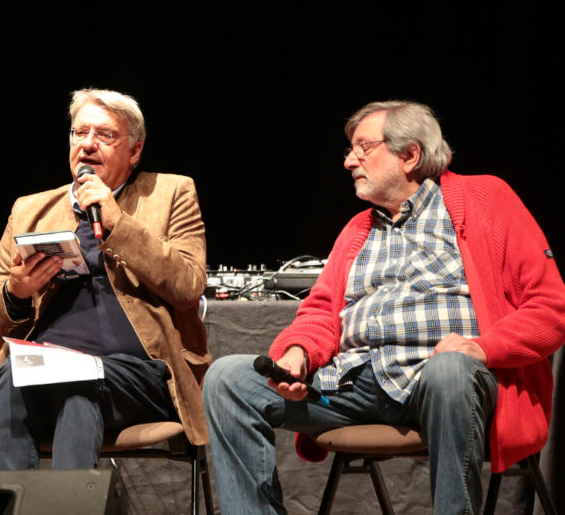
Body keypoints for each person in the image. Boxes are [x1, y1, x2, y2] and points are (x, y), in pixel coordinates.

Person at [202, 100, 565, 514]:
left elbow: (550, 307)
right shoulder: (358, 229)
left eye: (362, 148)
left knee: (450, 370)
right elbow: (320, 312)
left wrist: (480, 349)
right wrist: (298, 353)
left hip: (445, 384)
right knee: (228, 378)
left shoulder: (484, 199)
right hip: (353, 384)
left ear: (409, 154)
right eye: (349, 150)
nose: (349, 161)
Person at [0, 88, 211, 470]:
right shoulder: (30, 210)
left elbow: (187, 286)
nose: (87, 145)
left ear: (134, 151)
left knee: (79, 383)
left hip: (140, 374)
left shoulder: (169, 193)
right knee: (15, 376)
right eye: (79, 133)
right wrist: (16, 293)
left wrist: (117, 222)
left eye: (104, 135)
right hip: (47, 371)